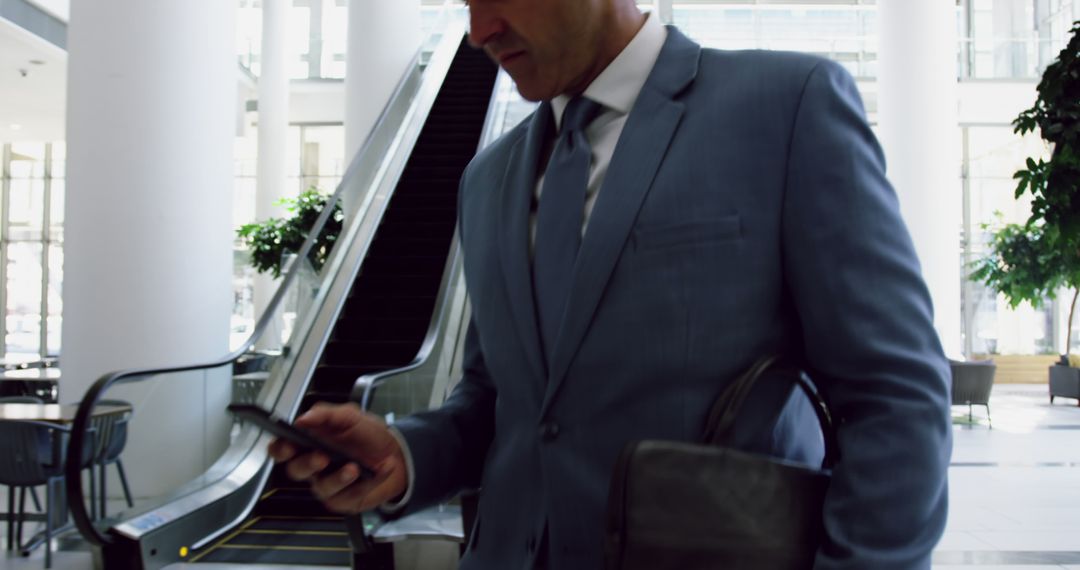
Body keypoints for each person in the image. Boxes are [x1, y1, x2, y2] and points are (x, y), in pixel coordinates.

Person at [269, 0, 954, 568]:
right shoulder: (488, 180)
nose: (480, 31)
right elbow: (504, 400)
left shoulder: (786, 108)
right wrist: (406, 452)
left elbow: (894, 395)